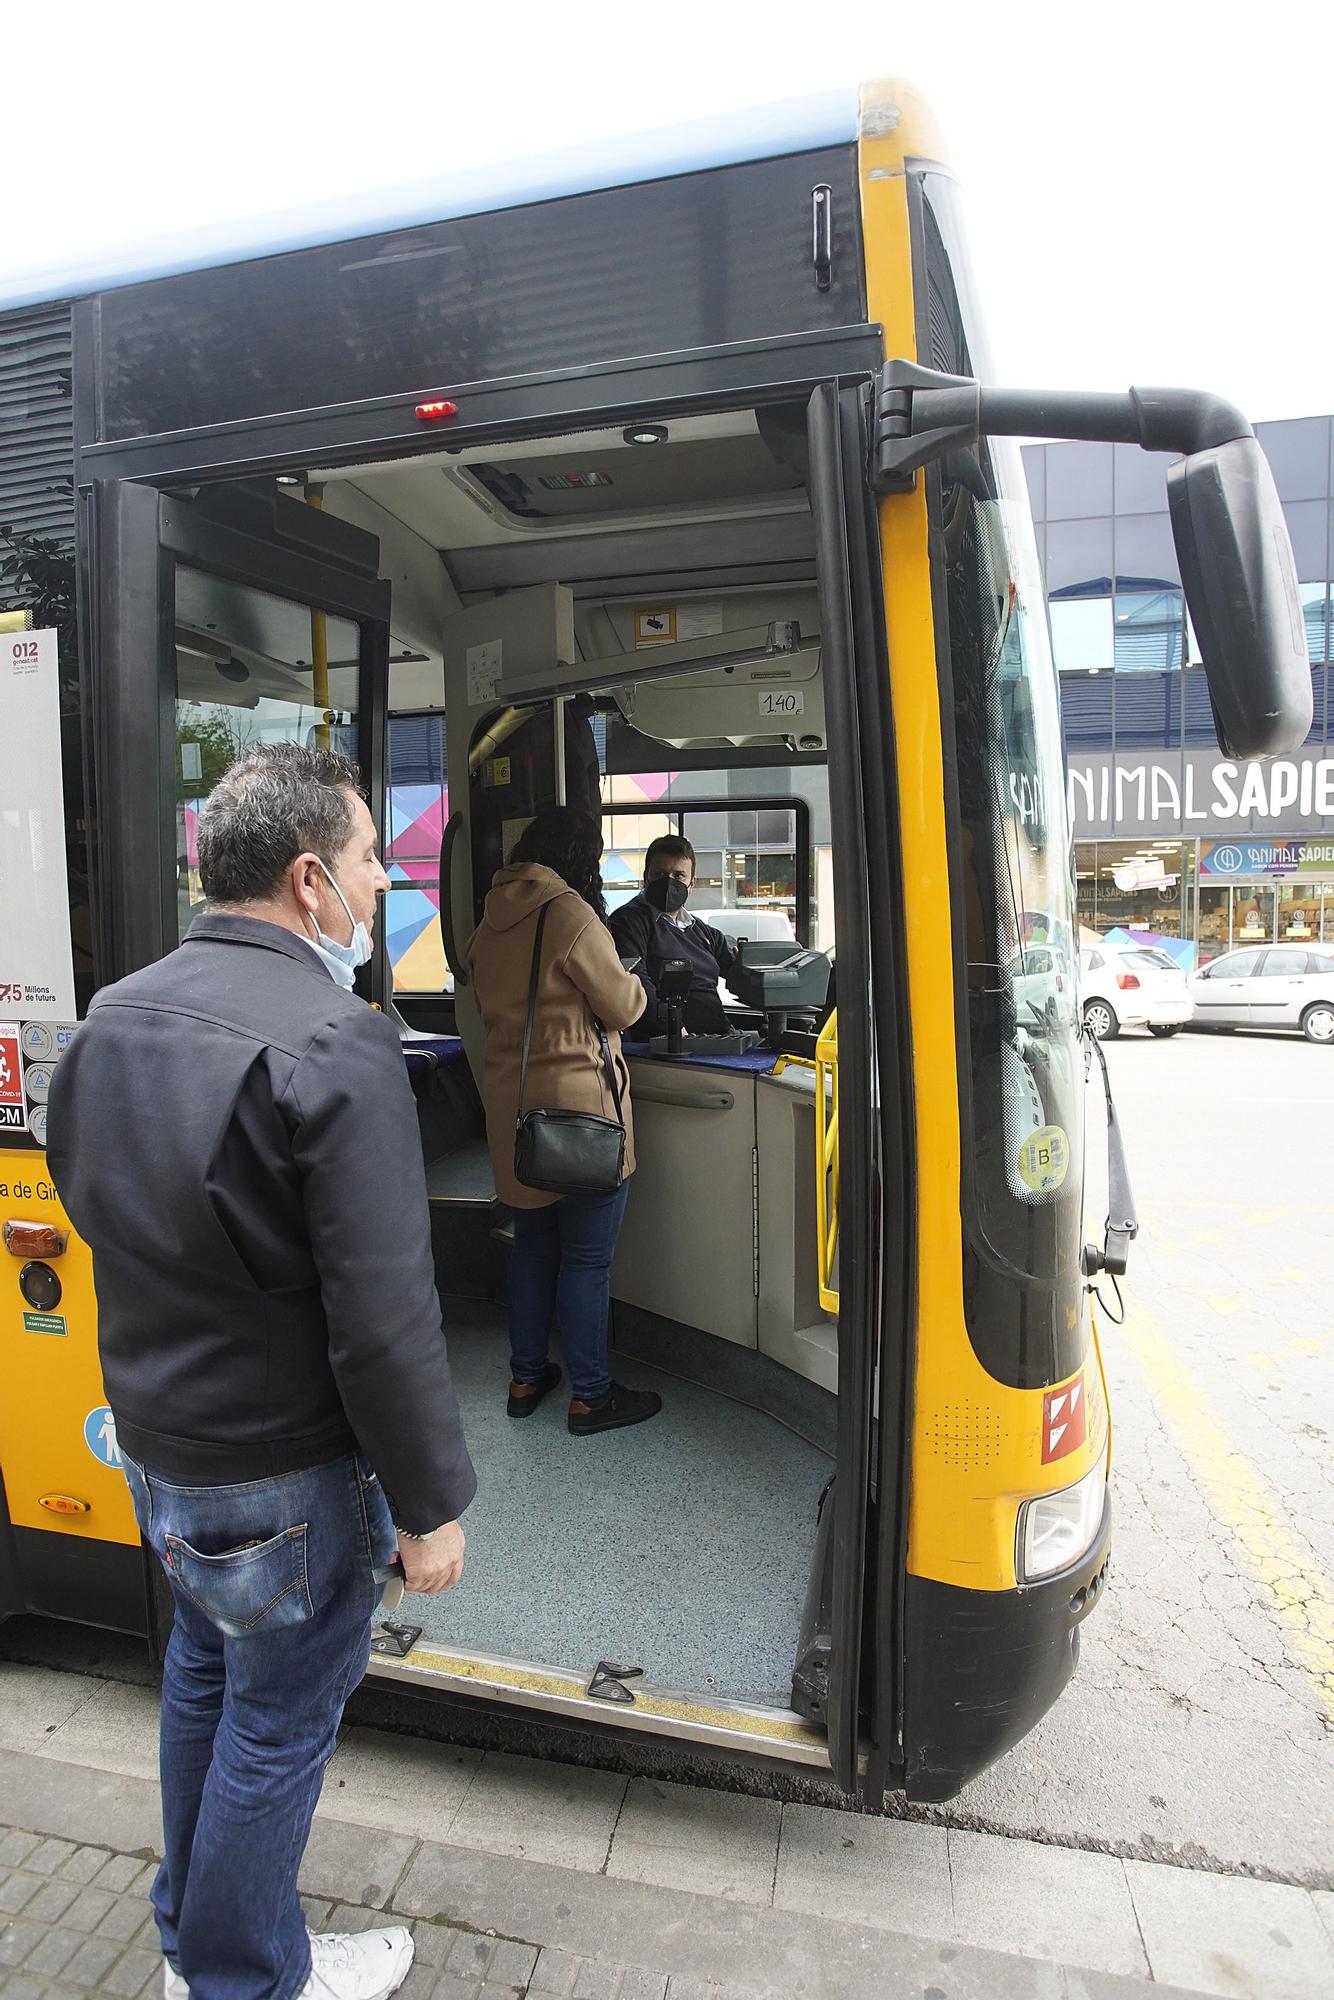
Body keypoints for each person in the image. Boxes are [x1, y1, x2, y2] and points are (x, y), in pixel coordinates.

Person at [46, 743, 475, 2000]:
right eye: (360, 865)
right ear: (305, 881)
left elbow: (93, 1209)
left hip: (159, 1445)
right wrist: (431, 1503)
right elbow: (382, 1317)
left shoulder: (113, 1014)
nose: (369, 890)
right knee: (278, 1718)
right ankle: (239, 1976)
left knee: (200, 1673)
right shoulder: (337, 1042)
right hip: (288, 1472)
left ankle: (199, 1936)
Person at [467, 806, 661, 1435]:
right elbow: (624, 1006)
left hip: (513, 1112)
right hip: (582, 1116)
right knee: (585, 1261)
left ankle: (526, 1377)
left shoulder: (490, 919)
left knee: (532, 1250)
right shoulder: (570, 913)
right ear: (580, 856)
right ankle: (591, 1395)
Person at [608, 835, 744, 1037]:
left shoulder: (703, 932)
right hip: (667, 1044)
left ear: (692, 883)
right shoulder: (627, 922)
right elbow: (638, 985)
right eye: (660, 874)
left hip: (718, 1036)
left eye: (679, 876)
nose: (668, 883)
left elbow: (742, 975)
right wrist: (678, 1034)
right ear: (646, 876)